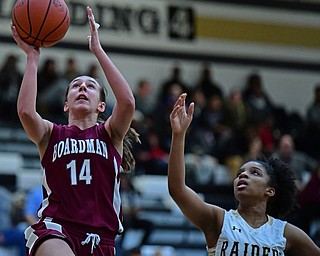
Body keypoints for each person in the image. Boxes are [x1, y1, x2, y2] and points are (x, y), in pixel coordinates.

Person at [11, 5, 136, 256]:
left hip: (101, 238)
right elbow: (26, 112)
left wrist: (98, 51)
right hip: (57, 228)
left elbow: (128, 102)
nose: (82, 88)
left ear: (102, 105)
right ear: (66, 102)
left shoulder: (110, 134)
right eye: (75, 85)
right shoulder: (51, 134)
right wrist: (32, 58)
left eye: (90, 86)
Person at [167, 93, 320, 256]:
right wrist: (178, 135)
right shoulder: (219, 220)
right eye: (239, 173)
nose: (243, 175)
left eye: (254, 173)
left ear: (270, 190)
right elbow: (178, 190)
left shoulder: (285, 233)